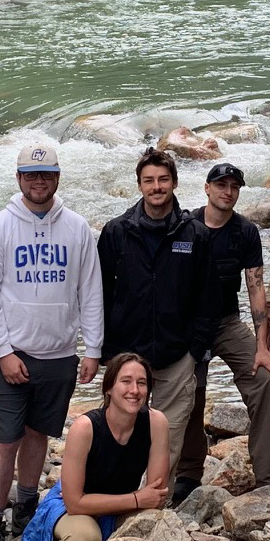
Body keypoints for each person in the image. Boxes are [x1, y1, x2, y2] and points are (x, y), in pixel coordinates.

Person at [0, 142, 103, 541]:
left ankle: (26, 504)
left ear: (58, 178)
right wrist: (3, 351)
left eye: (45, 175)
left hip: (59, 352)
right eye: (30, 175)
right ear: (19, 179)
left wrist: (92, 347)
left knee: (39, 434)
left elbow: (90, 290)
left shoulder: (77, 228)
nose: (38, 182)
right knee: (3, 438)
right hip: (11, 352)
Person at [97, 147, 213, 488]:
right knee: (120, 427)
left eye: (163, 179)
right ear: (139, 186)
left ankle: (154, 499)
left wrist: (196, 350)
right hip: (126, 353)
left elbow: (208, 298)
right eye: (149, 181)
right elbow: (98, 294)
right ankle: (115, 493)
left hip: (177, 353)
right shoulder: (116, 232)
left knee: (170, 434)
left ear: (174, 183)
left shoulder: (195, 234)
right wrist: (105, 349)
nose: (156, 187)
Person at [174, 161, 270, 499]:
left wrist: (263, 347)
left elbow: (256, 288)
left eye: (235, 186)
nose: (228, 192)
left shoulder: (245, 232)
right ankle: (188, 473)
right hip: (187, 325)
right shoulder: (184, 226)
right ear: (207, 188)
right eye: (221, 185)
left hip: (226, 321)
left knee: (264, 379)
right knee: (189, 392)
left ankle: (269, 477)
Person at [49, 353, 172, 541]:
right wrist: (136, 500)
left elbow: (155, 497)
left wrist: (140, 501)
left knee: (154, 528)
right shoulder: (85, 428)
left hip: (122, 507)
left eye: (141, 383)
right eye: (126, 381)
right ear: (109, 388)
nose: (134, 390)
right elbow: (74, 502)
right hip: (75, 506)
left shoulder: (156, 422)